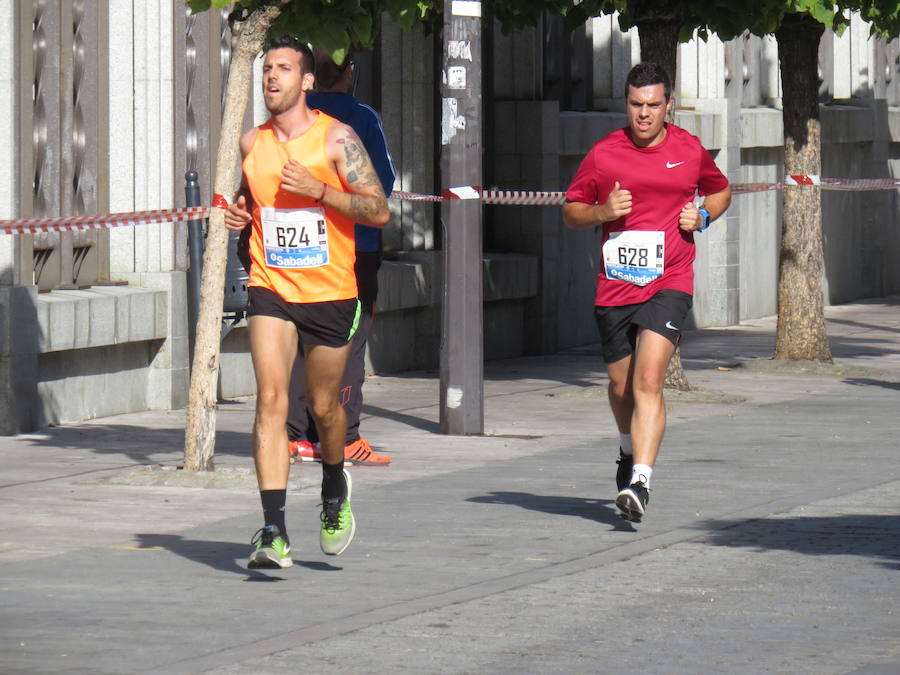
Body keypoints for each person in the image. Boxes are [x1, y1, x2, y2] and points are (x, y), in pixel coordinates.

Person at [223, 36, 390, 568]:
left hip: (331, 292)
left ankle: (334, 486)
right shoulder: (253, 143)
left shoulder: (337, 140)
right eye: (267, 69)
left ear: (307, 81)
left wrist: (320, 191)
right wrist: (240, 216)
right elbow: (255, 203)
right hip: (270, 285)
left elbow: (378, 210)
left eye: (283, 70)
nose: (272, 78)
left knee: (324, 407)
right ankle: (272, 529)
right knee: (271, 400)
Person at [562, 62, 732, 522]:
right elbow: (571, 210)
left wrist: (704, 217)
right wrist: (602, 211)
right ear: (626, 104)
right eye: (636, 105)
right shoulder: (603, 154)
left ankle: (640, 480)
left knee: (648, 380)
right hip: (616, 284)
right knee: (620, 387)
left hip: (670, 280)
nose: (644, 114)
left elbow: (720, 191)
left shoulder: (688, 149)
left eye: (653, 105)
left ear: (668, 105)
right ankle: (625, 449)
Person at [285, 47, 396, 467]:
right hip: (354, 247)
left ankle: (295, 435)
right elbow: (383, 179)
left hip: (297, 250)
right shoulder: (360, 117)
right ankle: (345, 436)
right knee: (350, 339)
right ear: (348, 72)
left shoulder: (290, 118)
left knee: (297, 338)